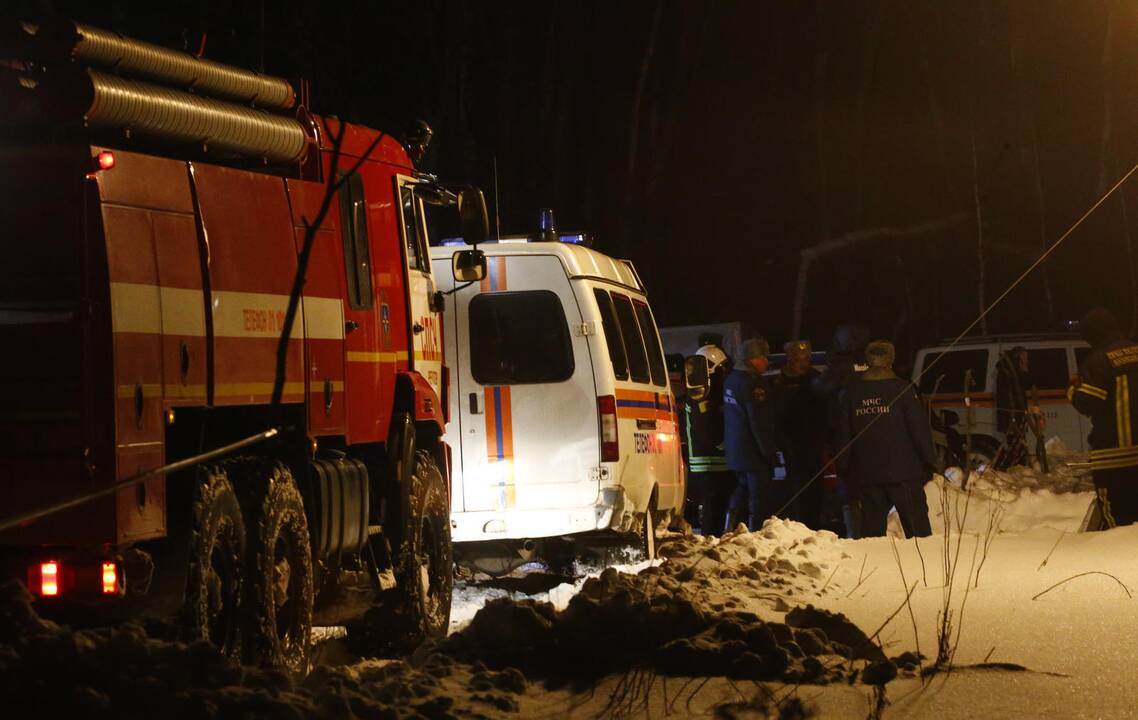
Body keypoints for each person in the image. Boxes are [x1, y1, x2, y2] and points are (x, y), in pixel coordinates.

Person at [836, 340, 934, 538]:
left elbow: (843, 434)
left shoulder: (851, 393)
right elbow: (919, 429)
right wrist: (928, 460)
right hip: (904, 472)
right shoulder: (903, 389)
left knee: (872, 533)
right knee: (918, 532)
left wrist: (844, 466)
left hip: (867, 474)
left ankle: (875, 568)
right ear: (891, 360)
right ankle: (926, 567)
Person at [1069, 307, 1138, 528]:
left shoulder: (1098, 362)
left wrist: (1073, 391)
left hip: (1113, 456)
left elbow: (1087, 402)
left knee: (1117, 524)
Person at [814, 322, 870, 537]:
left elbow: (820, 389)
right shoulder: (868, 361)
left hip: (844, 432)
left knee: (847, 484)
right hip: (869, 430)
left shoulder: (840, 365)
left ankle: (855, 534)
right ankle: (872, 530)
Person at [723, 337, 782, 530]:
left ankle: (730, 526)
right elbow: (759, 422)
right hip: (754, 453)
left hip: (736, 453)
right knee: (759, 499)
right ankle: (758, 534)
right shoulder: (754, 384)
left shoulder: (731, 379)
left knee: (741, 491)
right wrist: (769, 453)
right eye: (763, 357)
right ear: (751, 359)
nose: (766, 361)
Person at [771, 340, 827, 528]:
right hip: (790, 447)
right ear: (790, 359)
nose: (803, 362)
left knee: (815, 491)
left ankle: (815, 525)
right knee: (794, 491)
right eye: (798, 359)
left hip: (814, 445)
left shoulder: (816, 379)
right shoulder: (779, 382)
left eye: (806, 358)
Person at [682, 344, 735, 536]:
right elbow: (708, 429)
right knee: (714, 513)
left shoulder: (700, 392)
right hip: (711, 464)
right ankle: (711, 545)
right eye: (723, 368)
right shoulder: (703, 395)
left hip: (707, 465)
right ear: (714, 369)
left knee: (716, 510)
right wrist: (726, 448)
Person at [994, 346, 1032, 469]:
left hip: (1015, 413)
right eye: (1025, 357)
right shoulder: (1010, 371)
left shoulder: (1011, 370)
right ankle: (1015, 466)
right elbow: (1010, 395)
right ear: (1019, 356)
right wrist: (1013, 417)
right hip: (1013, 414)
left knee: (1017, 443)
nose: (1027, 360)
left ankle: (1018, 465)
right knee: (1015, 444)